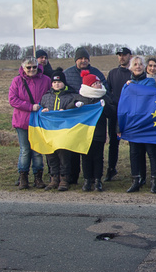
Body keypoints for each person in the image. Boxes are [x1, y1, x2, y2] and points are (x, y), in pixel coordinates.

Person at [62, 47, 108, 184]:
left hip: (95, 120)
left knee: (93, 153)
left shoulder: (97, 73)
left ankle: (94, 178)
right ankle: (72, 176)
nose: (83, 61)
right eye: (80, 58)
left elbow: (105, 90)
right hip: (75, 115)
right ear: (76, 60)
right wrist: (75, 102)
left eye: (85, 58)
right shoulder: (68, 73)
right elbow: (64, 91)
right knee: (73, 148)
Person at [8, 57, 51, 190]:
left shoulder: (46, 80)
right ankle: (23, 177)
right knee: (25, 150)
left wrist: (45, 107)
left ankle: (38, 177)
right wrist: (29, 106)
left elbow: (50, 96)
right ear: (23, 68)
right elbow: (13, 99)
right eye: (29, 67)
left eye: (34, 67)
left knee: (37, 150)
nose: (32, 70)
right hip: (22, 120)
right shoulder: (17, 81)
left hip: (39, 121)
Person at [123, 56, 156, 194]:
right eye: (135, 64)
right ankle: (136, 180)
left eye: (140, 64)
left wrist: (132, 87)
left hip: (147, 122)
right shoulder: (127, 85)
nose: (138, 66)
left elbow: (145, 96)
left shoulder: (149, 81)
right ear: (131, 67)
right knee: (134, 153)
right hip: (133, 123)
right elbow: (124, 104)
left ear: (144, 67)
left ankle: (154, 181)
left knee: (151, 152)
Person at [39, 67, 78, 191]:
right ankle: (54, 178)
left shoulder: (70, 97)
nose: (57, 84)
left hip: (63, 132)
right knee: (51, 156)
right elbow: (41, 109)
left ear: (64, 83)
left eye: (59, 82)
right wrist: (42, 111)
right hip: (50, 132)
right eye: (55, 82)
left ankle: (64, 179)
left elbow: (73, 112)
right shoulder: (45, 97)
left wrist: (65, 111)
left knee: (64, 156)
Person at [76, 70, 109, 192]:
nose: (99, 85)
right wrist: (75, 105)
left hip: (99, 133)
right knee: (85, 157)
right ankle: (87, 180)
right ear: (89, 86)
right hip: (84, 133)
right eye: (95, 83)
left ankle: (97, 180)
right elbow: (70, 109)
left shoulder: (104, 97)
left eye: (99, 82)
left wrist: (105, 106)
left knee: (98, 157)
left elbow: (111, 114)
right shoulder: (81, 98)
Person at [103, 47, 133, 182]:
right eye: (120, 55)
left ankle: (135, 171)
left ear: (129, 56)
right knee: (113, 142)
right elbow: (108, 91)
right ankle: (111, 168)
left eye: (124, 55)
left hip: (130, 113)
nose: (122, 57)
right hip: (115, 112)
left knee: (134, 142)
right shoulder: (113, 73)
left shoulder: (133, 74)